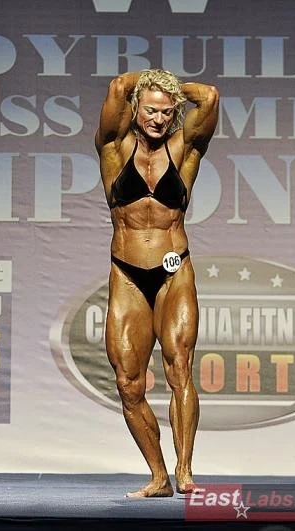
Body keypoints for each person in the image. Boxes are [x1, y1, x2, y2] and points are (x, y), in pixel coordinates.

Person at [94, 69, 219, 497]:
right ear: (135, 109)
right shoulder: (113, 146)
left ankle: (185, 470)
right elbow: (117, 87)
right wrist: (150, 80)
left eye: (167, 112)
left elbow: (210, 96)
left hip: (174, 268)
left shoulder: (186, 148)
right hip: (127, 274)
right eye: (150, 110)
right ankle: (159, 475)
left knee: (179, 366)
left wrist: (168, 88)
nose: (159, 119)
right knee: (128, 383)